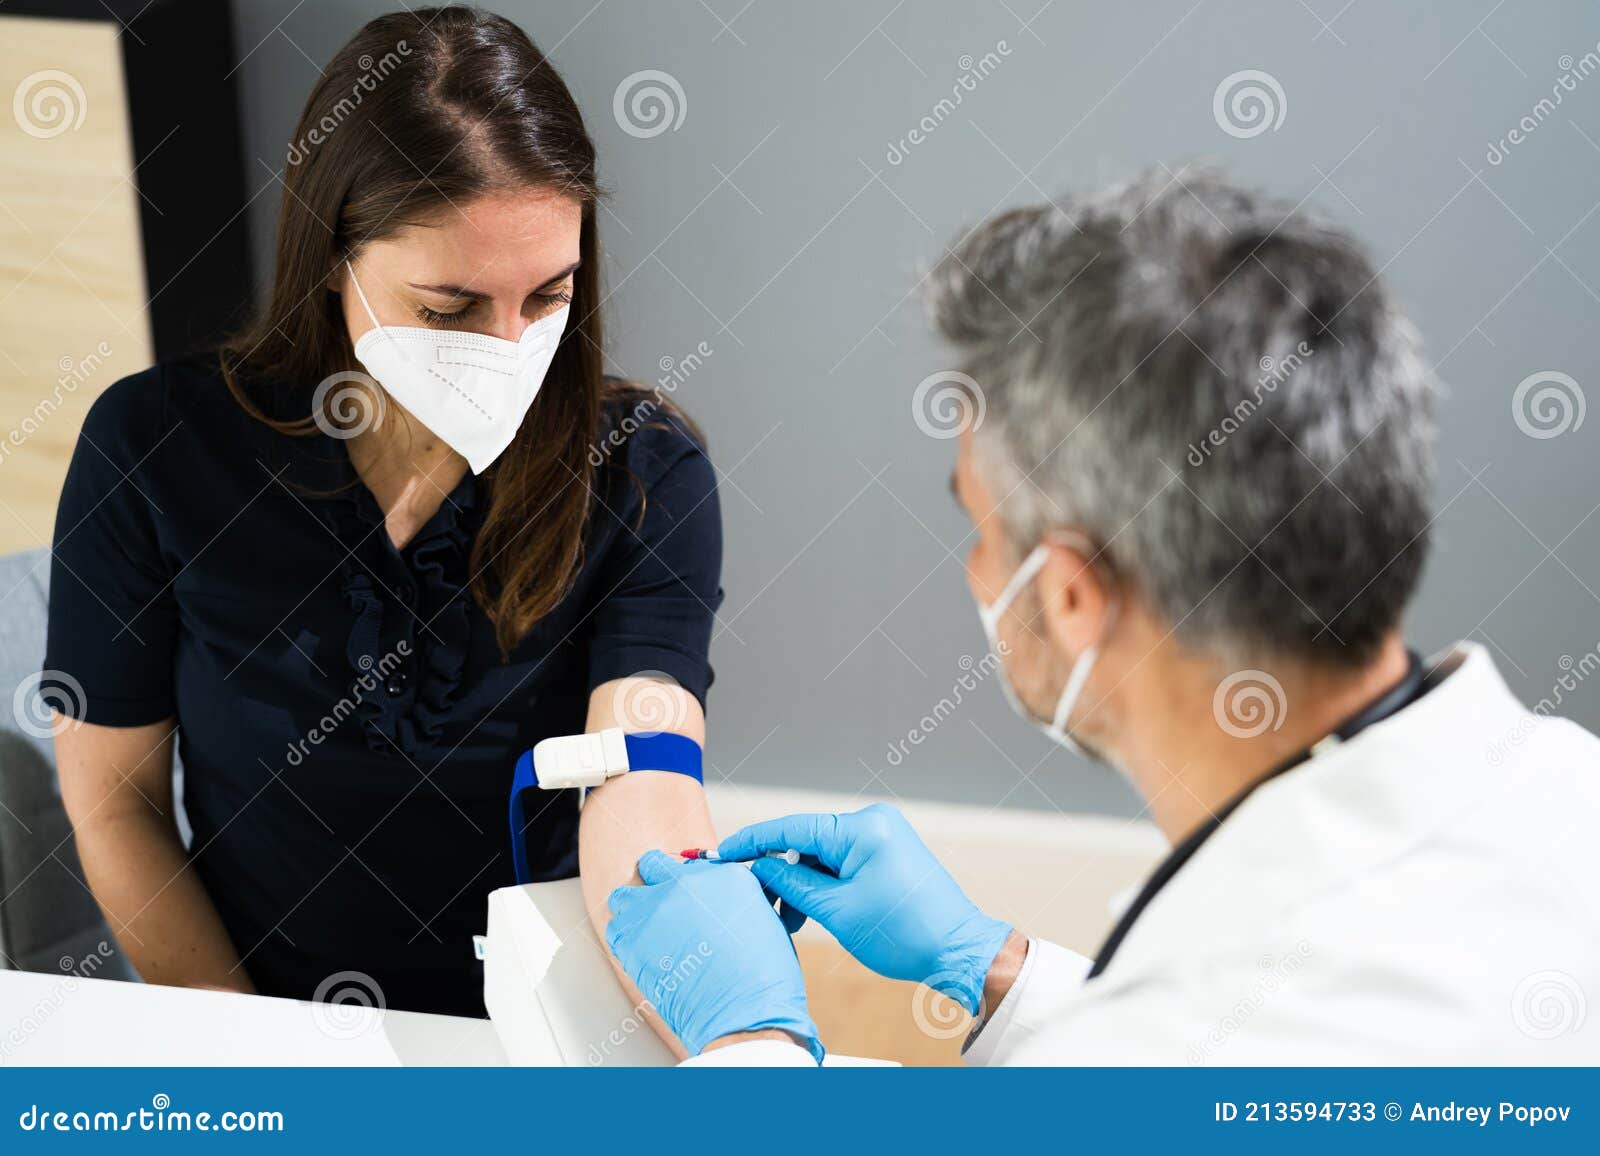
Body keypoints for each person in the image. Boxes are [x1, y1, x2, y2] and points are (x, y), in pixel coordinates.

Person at [604, 168, 1600, 1065]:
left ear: (1071, 594)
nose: (974, 571)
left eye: (978, 524)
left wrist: (748, 1043)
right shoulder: (1565, 789)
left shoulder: (1183, 1042)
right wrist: (995, 966)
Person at [45, 7, 720, 1045]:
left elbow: (645, 768)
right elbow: (114, 803)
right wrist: (263, 1055)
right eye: (449, 308)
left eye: (548, 295)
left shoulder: (639, 470)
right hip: (258, 1010)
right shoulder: (158, 447)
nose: (507, 345)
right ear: (331, 257)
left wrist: (722, 1029)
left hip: (543, 1021)